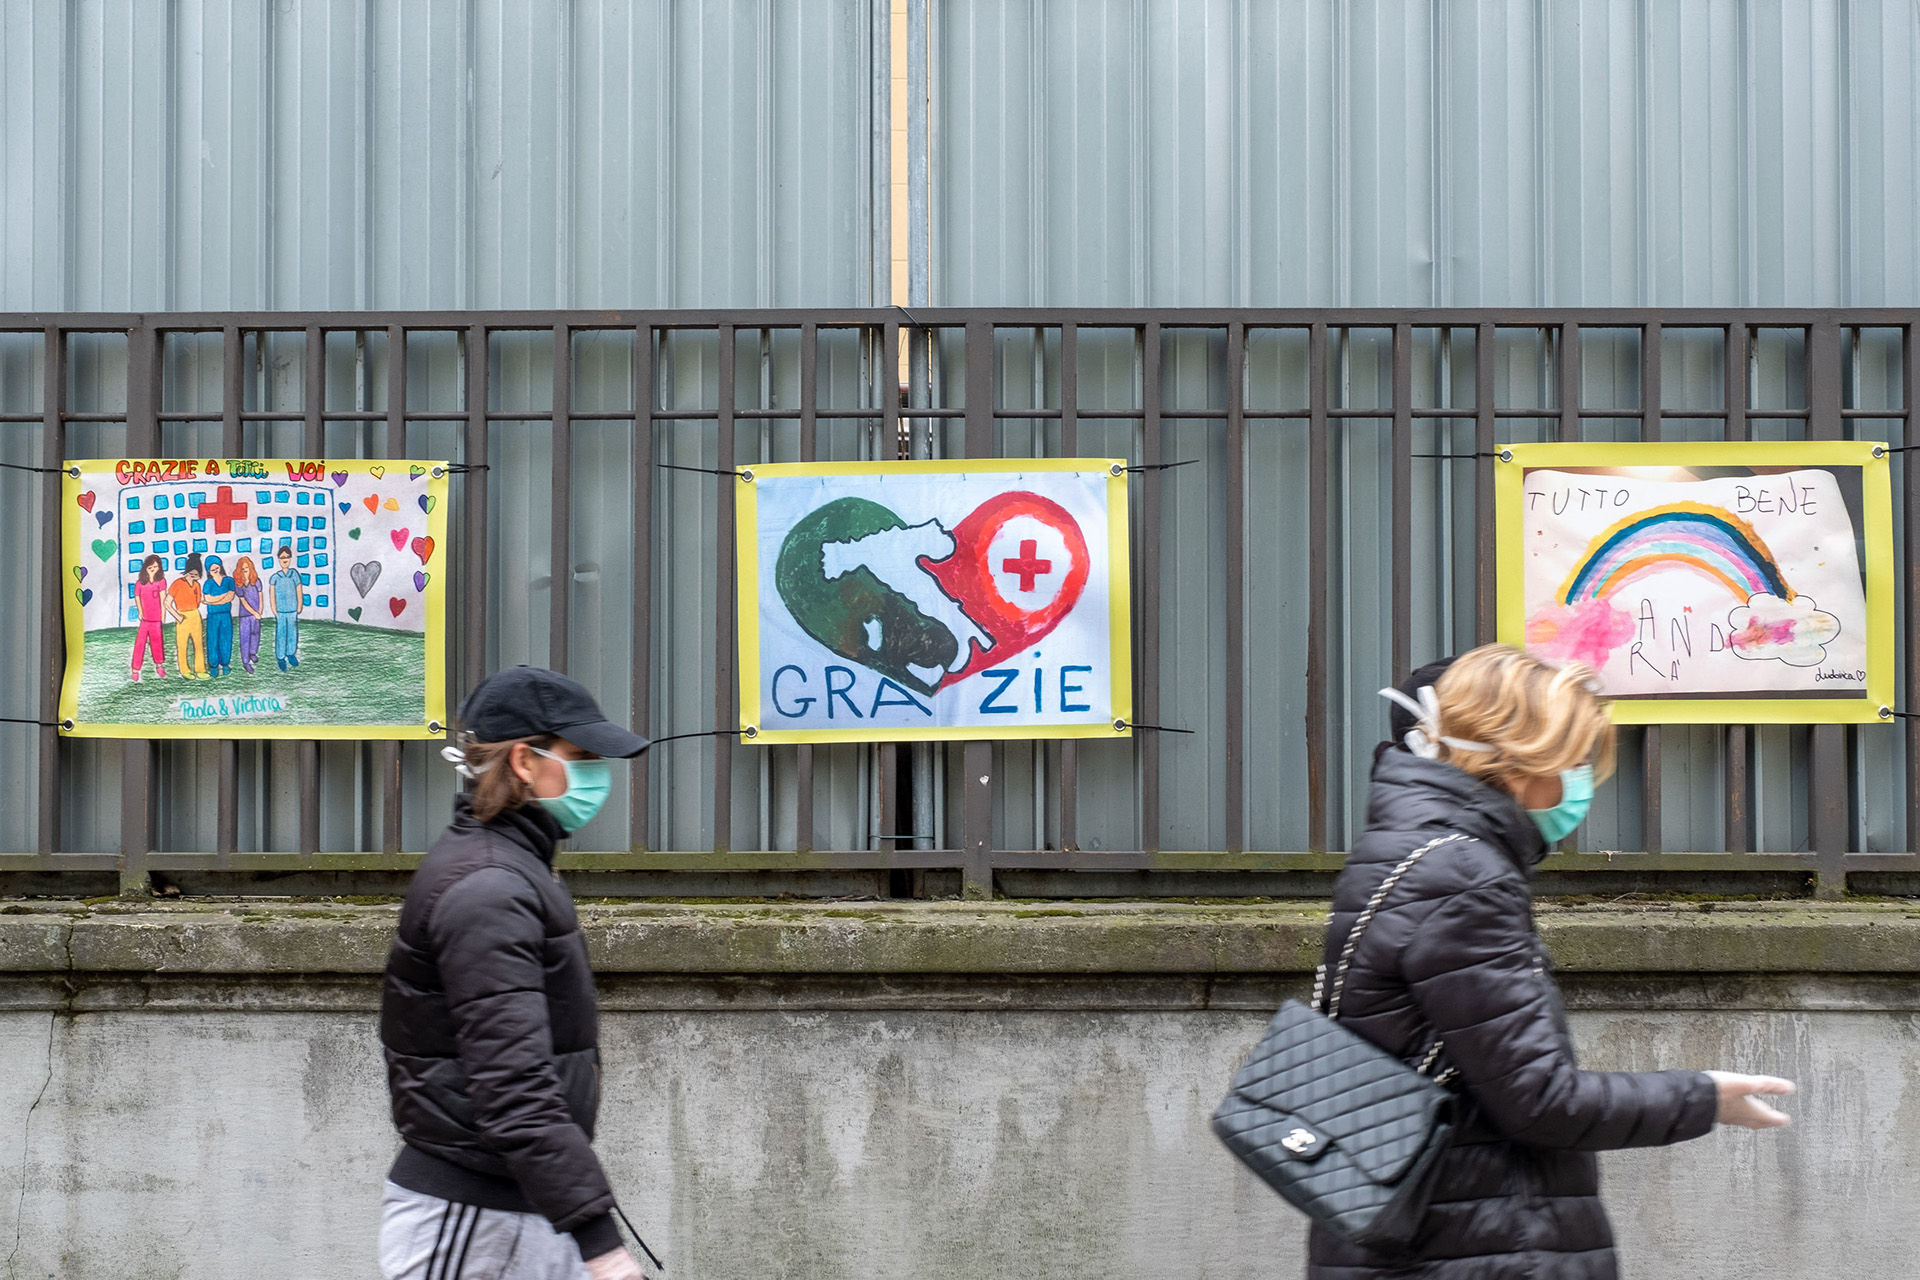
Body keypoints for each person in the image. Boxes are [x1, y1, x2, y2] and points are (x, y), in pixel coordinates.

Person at [1310, 644, 1793, 1280]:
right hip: (1485, 1240)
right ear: (1515, 760)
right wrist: (1703, 1097)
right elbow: (1540, 1101)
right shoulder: (1463, 876)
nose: (1580, 779)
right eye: (1571, 757)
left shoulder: (1408, 847)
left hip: (1427, 1228)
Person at [379, 666, 656, 1280]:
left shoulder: (512, 869)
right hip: (474, 1221)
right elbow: (512, 1086)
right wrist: (604, 1249)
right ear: (525, 763)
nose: (595, 774)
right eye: (580, 755)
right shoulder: (490, 888)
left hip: (517, 1211)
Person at [163, 552, 208, 680]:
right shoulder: (178, 583)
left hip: (195, 615)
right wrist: (177, 616)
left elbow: (199, 601)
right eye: (192, 573)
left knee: (198, 644)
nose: (194, 576)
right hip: (182, 616)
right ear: (187, 571)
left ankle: (200, 670)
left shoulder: (197, 585)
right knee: (182, 645)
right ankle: (185, 670)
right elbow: (167, 603)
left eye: (197, 574)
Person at [130, 554, 169, 681]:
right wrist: (140, 612)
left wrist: (163, 614)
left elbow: (163, 598)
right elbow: (137, 597)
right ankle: (135, 669)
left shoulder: (161, 581)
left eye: (156, 567)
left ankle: (159, 665)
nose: (153, 569)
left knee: (157, 643)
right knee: (140, 643)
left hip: (156, 619)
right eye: (150, 567)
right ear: (145, 568)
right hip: (145, 619)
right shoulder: (140, 583)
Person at [267, 543, 303, 671]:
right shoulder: (275, 577)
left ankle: (290, 653)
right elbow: (272, 594)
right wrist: (274, 609)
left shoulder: (294, 574)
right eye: (282, 557)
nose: (285, 559)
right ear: (279, 560)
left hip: (292, 609)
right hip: (281, 611)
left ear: (290, 558)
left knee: (292, 632)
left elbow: (299, 590)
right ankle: (280, 657)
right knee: (281, 633)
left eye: (287, 557)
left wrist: (299, 605)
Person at [201, 556, 236, 677]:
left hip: (226, 615)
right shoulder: (208, 583)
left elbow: (231, 597)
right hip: (213, 616)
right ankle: (214, 666)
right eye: (212, 569)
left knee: (225, 640)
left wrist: (212, 602)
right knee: (213, 640)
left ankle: (225, 664)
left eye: (217, 567)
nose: (215, 570)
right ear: (208, 571)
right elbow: (207, 598)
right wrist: (221, 597)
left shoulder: (229, 581)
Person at [232, 555, 264, 674]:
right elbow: (243, 602)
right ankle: (245, 661)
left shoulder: (256, 581)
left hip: (256, 614)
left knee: (255, 634)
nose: (245, 571)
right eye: (243, 569)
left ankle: (252, 653)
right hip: (245, 615)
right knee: (245, 637)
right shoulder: (239, 585)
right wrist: (254, 612)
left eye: (247, 568)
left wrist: (259, 611)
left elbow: (261, 596)